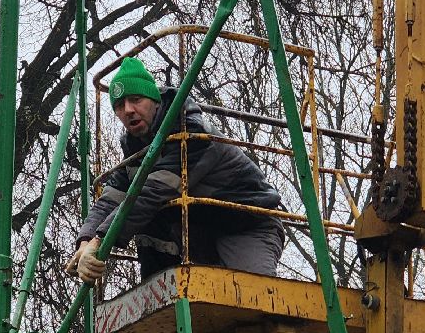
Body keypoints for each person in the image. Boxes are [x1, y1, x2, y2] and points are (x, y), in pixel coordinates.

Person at [66, 56, 286, 287]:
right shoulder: (136, 150)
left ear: (155, 101)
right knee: (147, 218)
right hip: (201, 233)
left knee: (254, 297)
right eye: (120, 105)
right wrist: (85, 241)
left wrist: (99, 241)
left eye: (136, 99)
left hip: (247, 225)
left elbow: (152, 193)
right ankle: (155, 290)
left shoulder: (191, 133)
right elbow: (110, 199)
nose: (128, 110)